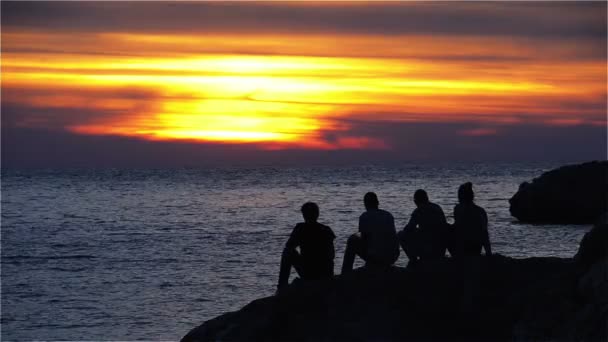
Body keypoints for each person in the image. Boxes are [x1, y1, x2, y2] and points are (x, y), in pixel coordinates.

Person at [277, 202, 335, 292]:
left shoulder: (301, 228)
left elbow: (289, 246)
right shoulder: (326, 229)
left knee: (287, 252)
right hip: (325, 273)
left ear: (303, 215)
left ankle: (281, 287)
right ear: (317, 214)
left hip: (309, 272)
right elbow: (332, 255)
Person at [341, 192, 400, 273]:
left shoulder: (364, 217)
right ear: (377, 202)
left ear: (365, 204)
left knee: (352, 240)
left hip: (376, 258)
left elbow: (364, 239)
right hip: (392, 256)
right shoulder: (388, 215)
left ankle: (345, 273)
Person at [398, 189, 448, 263]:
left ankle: (414, 261)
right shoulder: (437, 207)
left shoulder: (418, 211)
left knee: (400, 234)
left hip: (428, 247)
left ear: (416, 201)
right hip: (441, 248)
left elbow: (408, 229)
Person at [450, 182, 492, 257]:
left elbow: (458, 227)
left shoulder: (458, 209)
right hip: (475, 246)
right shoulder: (480, 210)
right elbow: (484, 233)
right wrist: (488, 252)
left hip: (463, 246)